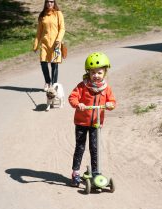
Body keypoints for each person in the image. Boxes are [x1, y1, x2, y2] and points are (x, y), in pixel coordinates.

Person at [68, 52, 116, 187]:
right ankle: (75, 173)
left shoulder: (106, 88)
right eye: (93, 72)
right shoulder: (82, 86)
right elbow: (72, 98)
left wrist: (109, 104)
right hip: (81, 123)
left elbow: (112, 101)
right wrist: (79, 104)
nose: (96, 75)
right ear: (88, 72)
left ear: (105, 72)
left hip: (96, 123)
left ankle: (96, 172)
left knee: (95, 148)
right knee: (80, 147)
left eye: (99, 72)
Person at [33, 0, 65, 91]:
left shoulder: (58, 14)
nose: (49, 3)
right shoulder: (42, 15)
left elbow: (62, 29)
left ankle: (54, 85)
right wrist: (36, 44)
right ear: (45, 3)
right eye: (48, 2)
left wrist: (58, 40)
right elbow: (39, 32)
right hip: (45, 44)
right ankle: (47, 82)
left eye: (51, 1)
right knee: (43, 62)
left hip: (55, 43)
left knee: (54, 65)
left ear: (54, 3)